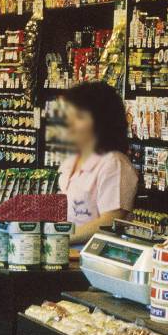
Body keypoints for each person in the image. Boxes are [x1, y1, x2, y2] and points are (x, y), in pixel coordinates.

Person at [58, 81, 139, 244]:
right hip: (66, 254)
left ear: (100, 121)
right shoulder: (75, 160)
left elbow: (110, 221)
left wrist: (60, 239)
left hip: (90, 259)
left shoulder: (114, 164)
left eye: (79, 117)